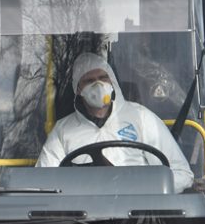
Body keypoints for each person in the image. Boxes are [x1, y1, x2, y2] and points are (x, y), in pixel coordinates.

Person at [36, 53, 195, 193]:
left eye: (103, 78)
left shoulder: (141, 118)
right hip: (84, 219)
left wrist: (140, 189)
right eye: (89, 80)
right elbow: (42, 182)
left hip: (139, 217)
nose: (98, 85)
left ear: (112, 82)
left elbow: (181, 174)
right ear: (78, 89)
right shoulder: (63, 131)